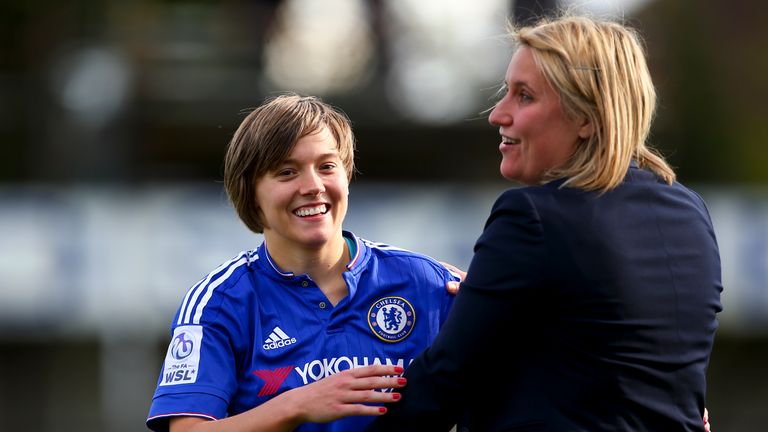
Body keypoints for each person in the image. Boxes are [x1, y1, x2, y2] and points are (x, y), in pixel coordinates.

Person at [368, 13, 723, 432]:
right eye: (506, 92)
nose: (497, 114)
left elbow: (444, 384)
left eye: (524, 96)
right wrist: (494, 308)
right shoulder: (691, 211)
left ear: (587, 116)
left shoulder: (533, 217)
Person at [146, 93, 462, 432]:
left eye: (327, 166)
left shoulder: (426, 284)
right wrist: (298, 404)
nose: (313, 186)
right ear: (251, 195)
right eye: (286, 172)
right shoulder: (220, 303)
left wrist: (500, 301)